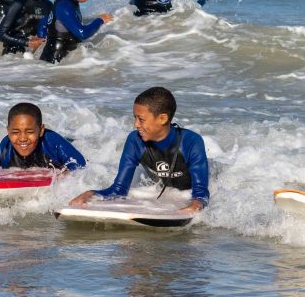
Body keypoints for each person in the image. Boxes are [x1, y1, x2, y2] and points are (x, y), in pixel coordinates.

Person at [68, 87, 209, 212]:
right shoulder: (135, 141)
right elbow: (118, 190)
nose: (136, 125)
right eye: (135, 118)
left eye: (141, 119)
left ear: (162, 118)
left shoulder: (191, 142)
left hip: (188, 192)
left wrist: (195, 205)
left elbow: (200, 193)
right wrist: (91, 194)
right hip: (162, 192)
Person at [0, 102, 86, 180]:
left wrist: (66, 175)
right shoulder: (5, 148)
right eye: (15, 132)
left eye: (30, 132)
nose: (22, 138)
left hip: (68, 143)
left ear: (41, 130)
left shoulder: (53, 143)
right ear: (8, 131)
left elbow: (80, 164)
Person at [39, 0, 113, 63]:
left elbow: (43, 23)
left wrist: (43, 36)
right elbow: (82, 33)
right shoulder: (65, 6)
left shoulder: (67, 2)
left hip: (56, 62)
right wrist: (100, 20)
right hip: (54, 63)